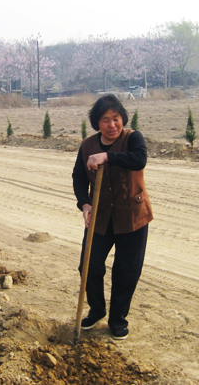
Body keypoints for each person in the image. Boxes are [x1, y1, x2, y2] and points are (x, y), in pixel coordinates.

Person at [72, 94, 153, 340]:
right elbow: (78, 177)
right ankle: (97, 310)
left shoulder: (133, 138)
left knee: (126, 271)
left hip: (132, 216)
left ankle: (117, 319)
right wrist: (84, 204)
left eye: (116, 118)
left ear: (122, 119)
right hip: (100, 216)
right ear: (98, 123)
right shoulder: (87, 145)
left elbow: (140, 160)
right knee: (90, 266)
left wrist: (108, 157)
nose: (112, 125)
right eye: (105, 120)